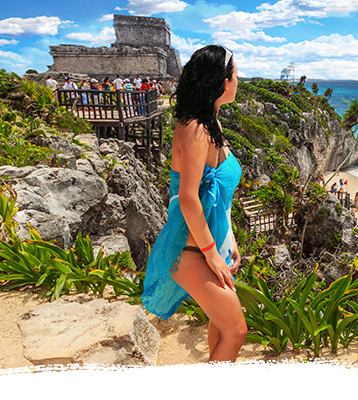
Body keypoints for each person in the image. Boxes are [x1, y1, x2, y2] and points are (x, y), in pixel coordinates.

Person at [143, 45, 246, 363]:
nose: (238, 79)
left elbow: (218, 201)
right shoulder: (195, 129)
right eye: (236, 73)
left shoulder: (209, 124)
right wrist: (212, 254)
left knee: (220, 324)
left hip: (211, 245)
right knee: (236, 330)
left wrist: (230, 242)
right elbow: (188, 197)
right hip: (191, 251)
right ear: (222, 81)